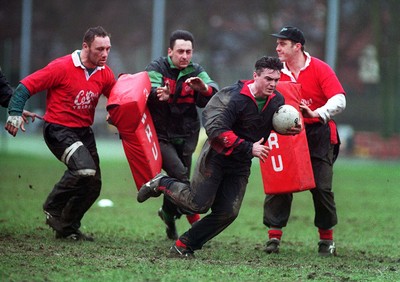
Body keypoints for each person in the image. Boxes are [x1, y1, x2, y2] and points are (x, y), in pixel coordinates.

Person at [137, 56, 302, 258]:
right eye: (268, 79)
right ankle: (162, 182)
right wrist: (248, 147)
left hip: (240, 163)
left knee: (228, 213)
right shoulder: (233, 96)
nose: (273, 84)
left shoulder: (277, 100)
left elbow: (265, 125)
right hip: (216, 157)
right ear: (255, 75)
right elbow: (216, 129)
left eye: (276, 80)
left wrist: (287, 129)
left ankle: (184, 245)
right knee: (198, 204)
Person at [4, 26, 116, 241]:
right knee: (84, 169)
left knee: (93, 186)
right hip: (58, 129)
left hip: (84, 132)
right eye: (99, 49)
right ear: (85, 46)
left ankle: (66, 227)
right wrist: (15, 112)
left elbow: (117, 97)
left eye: (108, 49)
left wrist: (117, 112)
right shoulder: (61, 67)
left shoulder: (105, 73)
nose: (105, 54)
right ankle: (52, 207)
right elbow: (25, 86)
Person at [263, 26, 346, 256]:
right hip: (285, 134)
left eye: (282, 43)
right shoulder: (275, 71)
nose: (277, 48)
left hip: (319, 133)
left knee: (322, 187)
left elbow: (339, 99)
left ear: (297, 46)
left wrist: (317, 113)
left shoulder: (320, 68)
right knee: (280, 183)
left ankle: (326, 240)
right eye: (277, 43)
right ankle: (274, 237)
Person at [144, 30, 219, 240]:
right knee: (181, 176)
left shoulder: (196, 70)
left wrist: (204, 88)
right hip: (162, 134)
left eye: (188, 51)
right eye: (180, 51)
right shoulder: (157, 67)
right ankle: (195, 222)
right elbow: (148, 89)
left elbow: (214, 89)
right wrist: (162, 94)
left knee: (178, 178)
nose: (185, 56)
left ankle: (168, 214)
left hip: (188, 134)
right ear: (170, 51)